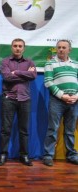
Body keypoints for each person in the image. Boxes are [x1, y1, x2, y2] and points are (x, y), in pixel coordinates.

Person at [0, 38, 37, 166]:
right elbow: (7, 77)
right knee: (5, 129)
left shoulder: (29, 62)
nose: (17, 48)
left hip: (25, 99)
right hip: (9, 98)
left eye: (20, 46)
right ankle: (3, 154)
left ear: (24, 48)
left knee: (24, 130)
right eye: (15, 46)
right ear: (11, 47)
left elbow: (33, 76)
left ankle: (24, 156)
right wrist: (25, 73)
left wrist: (17, 72)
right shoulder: (5, 62)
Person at [42, 39, 78, 167]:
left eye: (64, 47)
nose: (61, 49)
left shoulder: (76, 64)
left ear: (69, 50)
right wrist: (63, 96)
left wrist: (75, 96)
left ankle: (72, 155)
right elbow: (48, 82)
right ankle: (48, 155)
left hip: (74, 102)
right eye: (59, 47)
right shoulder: (50, 63)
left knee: (70, 130)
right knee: (53, 128)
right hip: (57, 101)